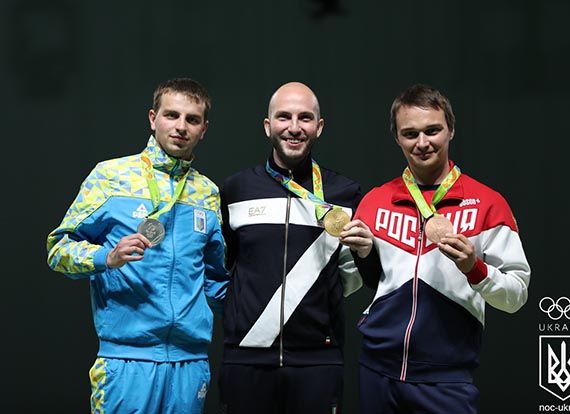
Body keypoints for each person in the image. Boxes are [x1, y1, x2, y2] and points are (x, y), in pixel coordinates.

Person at [339, 84, 531, 413]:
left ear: (451, 130)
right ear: (397, 138)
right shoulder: (375, 201)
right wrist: (362, 255)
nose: (422, 142)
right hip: (377, 372)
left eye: (432, 130)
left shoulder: (488, 204)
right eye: (410, 133)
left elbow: (516, 296)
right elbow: (355, 282)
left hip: (446, 379)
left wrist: (474, 268)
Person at [46, 77, 228, 413]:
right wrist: (107, 256)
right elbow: (58, 250)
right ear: (153, 118)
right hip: (126, 361)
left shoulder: (208, 193)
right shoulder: (111, 177)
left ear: (203, 129)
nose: (181, 127)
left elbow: (216, 279)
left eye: (192, 119)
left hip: (190, 363)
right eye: (172, 115)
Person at [218, 82, 363, 414]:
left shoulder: (344, 193)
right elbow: (223, 267)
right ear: (268, 125)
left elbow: (353, 274)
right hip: (245, 360)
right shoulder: (236, 189)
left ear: (319, 127)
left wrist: (320, 301)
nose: (294, 127)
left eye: (305, 118)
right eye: (284, 117)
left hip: (318, 361)